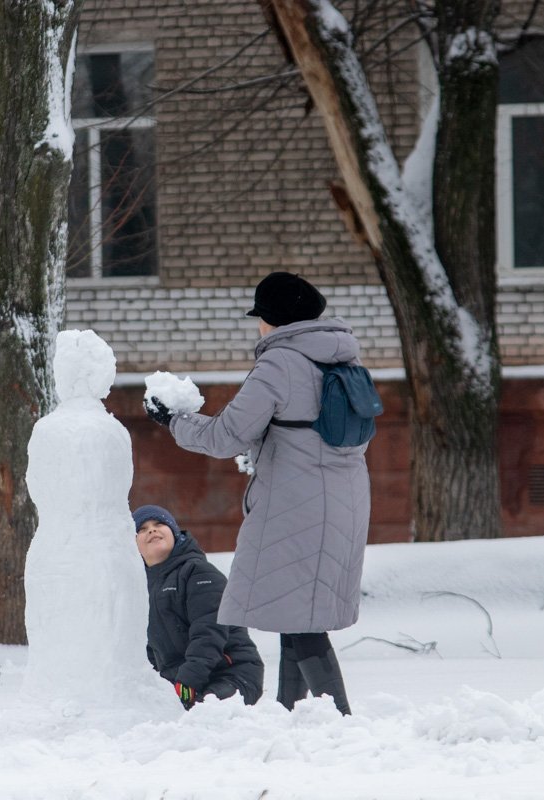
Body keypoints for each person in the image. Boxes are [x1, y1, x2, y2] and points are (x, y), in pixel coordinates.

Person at [144, 272, 370, 715]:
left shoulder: (280, 363)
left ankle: (340, 721)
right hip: (346, 498)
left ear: (273, 320)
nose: (258, 327)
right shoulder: (344, 361)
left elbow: (225, 435)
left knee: (302, 622)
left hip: (296, 505)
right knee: (296, 613)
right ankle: (290, 713)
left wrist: (172, 421)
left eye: (260, 318)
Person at [132, 504, 264, 709]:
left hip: (231, 675)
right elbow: (149, 649)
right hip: (184, 683)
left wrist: (186, 685)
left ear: (175, 533)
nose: (152, 529)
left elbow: (208, 633)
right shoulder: (140, 588)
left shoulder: (197, 571)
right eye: (142, 528)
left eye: (159, 523)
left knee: (205, 715)